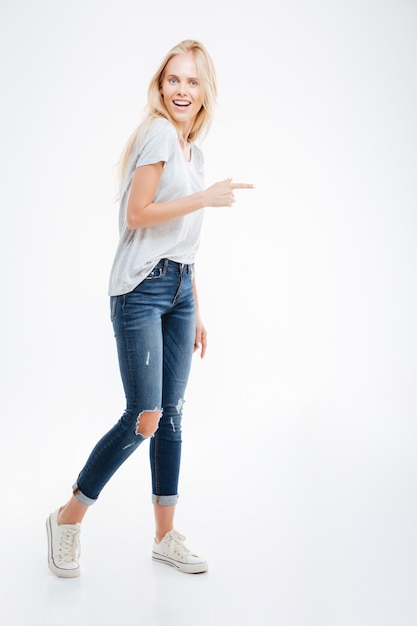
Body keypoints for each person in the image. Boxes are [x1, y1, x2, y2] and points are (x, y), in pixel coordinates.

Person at [46, 39, 253, 578]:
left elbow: (184, 244)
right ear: (161, 87)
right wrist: (206, 197)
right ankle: (68, 518)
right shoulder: (158, 132)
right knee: (144, 417)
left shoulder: (194, 152)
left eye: (192, 81)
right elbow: (139, 215)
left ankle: (165, 537)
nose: (181, 90)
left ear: (205, 90)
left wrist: (196, 307)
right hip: (140, 288)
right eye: (173, 80)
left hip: (179, 288)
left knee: (172, 416)